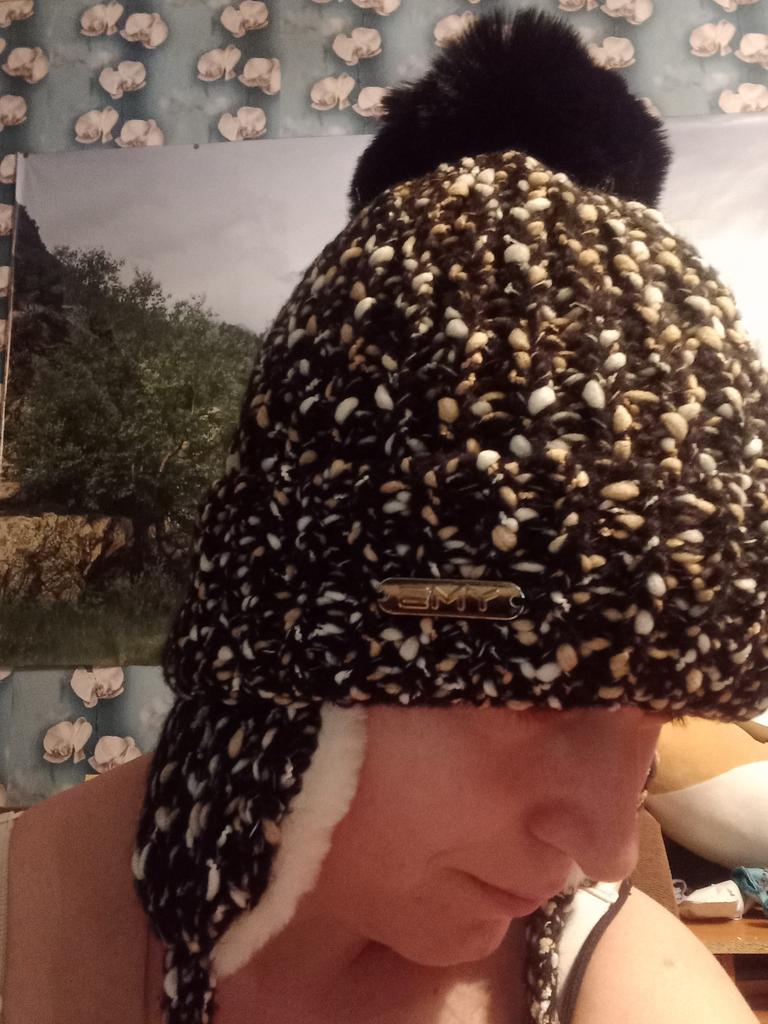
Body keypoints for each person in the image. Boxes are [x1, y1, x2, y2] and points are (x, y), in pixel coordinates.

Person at [3, 9, 768, 1024]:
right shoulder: (23, 922)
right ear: (288, 631)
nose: (608, 848)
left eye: (657, 718)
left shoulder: (618, 986)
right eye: (540, 697)